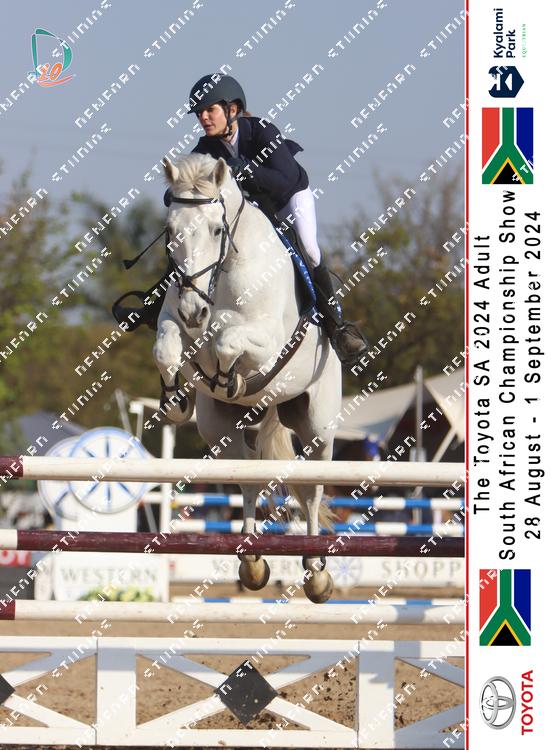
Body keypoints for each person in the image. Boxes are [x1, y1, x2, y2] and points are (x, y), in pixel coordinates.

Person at [114, 74, 368, 366]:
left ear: (232, 109)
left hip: (288, 199)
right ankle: (152, 307)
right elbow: (182, 187)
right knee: (192, 243)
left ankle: (337, 327)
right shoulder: (206, 147)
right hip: (253, 210)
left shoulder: (262, 131)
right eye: (199, 113)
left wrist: (246, 169)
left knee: (309, 249)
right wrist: (178, 194)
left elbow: (284, 180)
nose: (203, 118)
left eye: (210, 110)